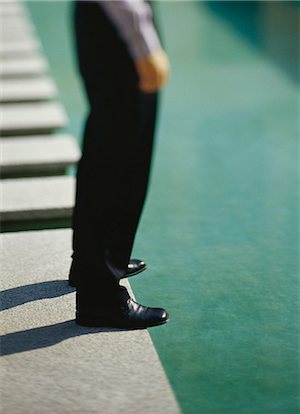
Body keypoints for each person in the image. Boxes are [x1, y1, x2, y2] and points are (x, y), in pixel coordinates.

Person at [69, 0, 170, 329]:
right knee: (121, 160)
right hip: (117, 26)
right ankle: (100, 296)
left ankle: (91, 265)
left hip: (101, 19)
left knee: (106, 150)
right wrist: (143, 42)